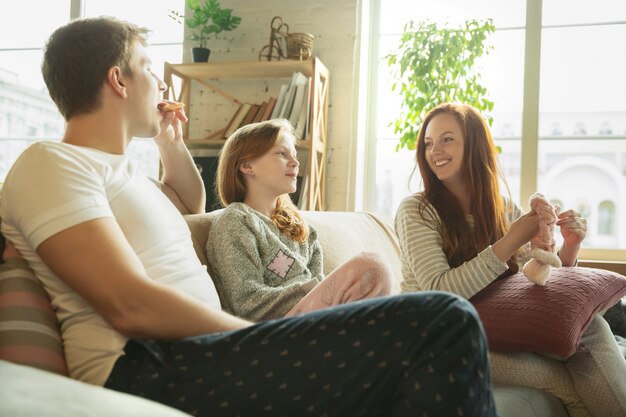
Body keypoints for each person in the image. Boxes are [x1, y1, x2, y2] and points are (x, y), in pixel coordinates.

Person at [0, 18, 499, 416]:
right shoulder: (52, 163)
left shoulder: (128, 175)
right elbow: (128, 305)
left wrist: (169, 142)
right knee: (445, 320)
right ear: (118, 80)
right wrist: (249, 334)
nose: (159, 82)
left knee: (417, 355)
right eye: (149, 68)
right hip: (149, 365)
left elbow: (189, 203)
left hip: (202, 353)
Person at [395, 102, 626, 417]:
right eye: (428, 142)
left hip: (494, 327)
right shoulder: (417, 211)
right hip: (439, 339)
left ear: (474, 145)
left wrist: (570, 247)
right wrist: (512, 239)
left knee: (590, 326)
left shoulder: (502, 208)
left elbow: (543, 279)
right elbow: (441, 291)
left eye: (447, 139)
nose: (435, 150)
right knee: (566, 383)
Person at [207, 119, 391, 321]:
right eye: (281, 154)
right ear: (247, 165)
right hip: (271, 330)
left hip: (313, 321)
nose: (295, 162)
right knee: (371, 266)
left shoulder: (304, 231)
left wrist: (323, 290)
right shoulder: (236, 221)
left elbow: (321, 293)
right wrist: (314, 289)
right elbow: (247, 304)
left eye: (294, 155)